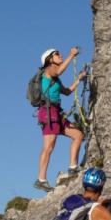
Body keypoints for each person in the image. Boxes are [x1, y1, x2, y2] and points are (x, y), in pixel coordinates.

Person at [33, 47, 87, 193]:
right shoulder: (49, 70)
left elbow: (67, 92)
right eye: (57, 54)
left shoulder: (55, 79)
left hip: (56, 113)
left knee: (78, 135)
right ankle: (41, 179)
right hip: (48, 113)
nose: (60, 55)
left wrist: (79, 79)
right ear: (50, 59)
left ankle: (72, 167)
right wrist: (71, 55)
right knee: (49, 146)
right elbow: (58, 70)